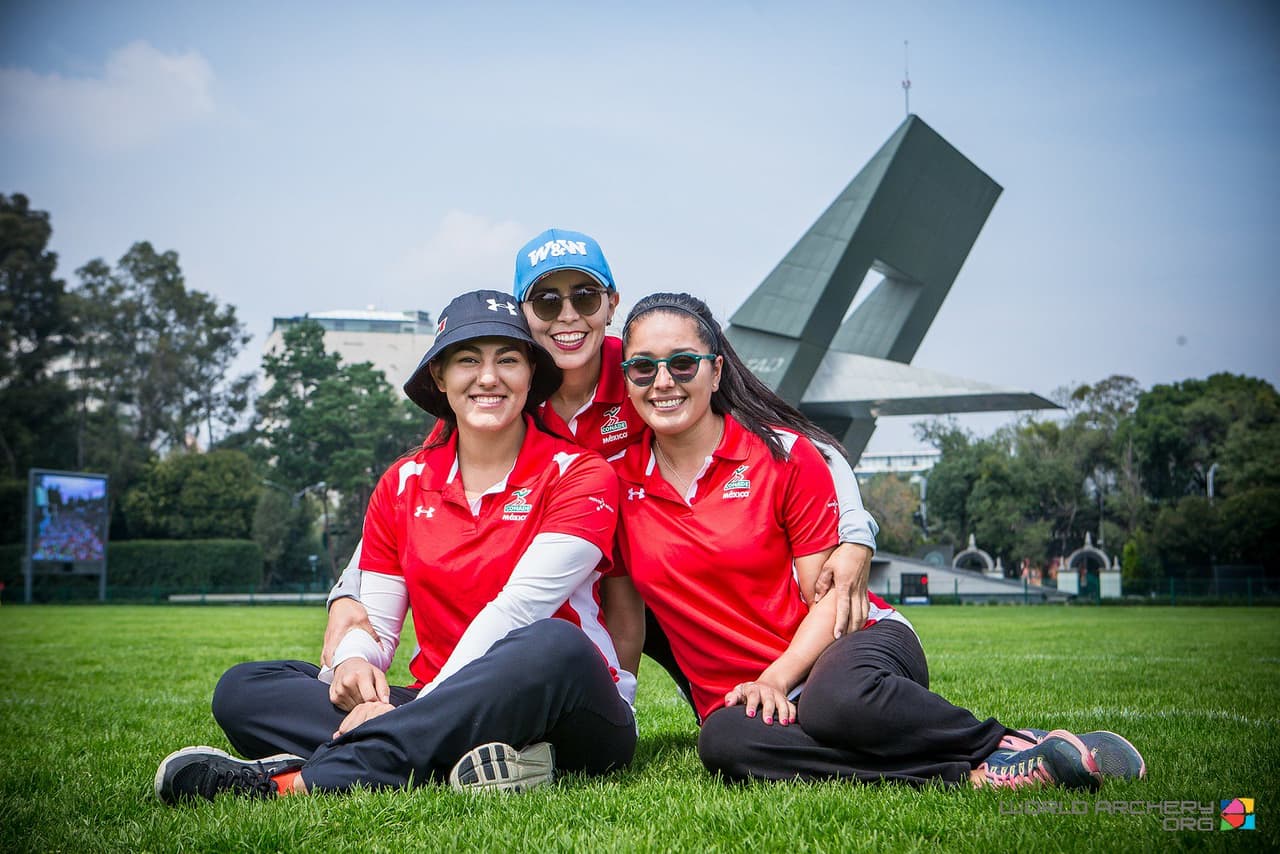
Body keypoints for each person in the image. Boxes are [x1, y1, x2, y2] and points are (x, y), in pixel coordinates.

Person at [607, 292, 1145, 789]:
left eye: (683, 363)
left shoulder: (781, 456)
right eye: (643, 367)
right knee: (725, 741)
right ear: (627, 378)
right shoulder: (617, 483)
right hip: (751, 698)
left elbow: (831, 598)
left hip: (846, 645)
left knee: (835, 702)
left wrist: (776, 678)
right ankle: (972, 774)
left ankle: (1004, 743)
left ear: (716, 370)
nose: (663, 381)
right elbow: (625, 620)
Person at [321, 228, 882, 700]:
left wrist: (856, 534)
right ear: (522, 314)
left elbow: (788, 440)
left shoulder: (648, 370)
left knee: (732, 693)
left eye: (585, 298)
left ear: (611, 304)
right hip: (579, 579)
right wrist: (348, 590)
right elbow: (411, 491)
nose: (568, 317)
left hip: (667, 571)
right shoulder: (504, 392)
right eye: (546, 302)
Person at [155, 290, 636, 803]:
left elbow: (518, 610)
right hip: (440, 706)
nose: (488, 377)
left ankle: (294, 782)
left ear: (530, 375)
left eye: (508, 360)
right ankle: (467, 758)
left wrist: (407, 711)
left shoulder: (581, 474)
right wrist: (353, 665)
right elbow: (377, 626)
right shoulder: (403, 482)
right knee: (245, 688)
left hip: (567, 708)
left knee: (554, 643)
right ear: (440, 377)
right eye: (468, 360)